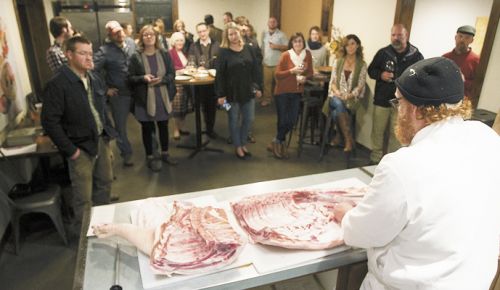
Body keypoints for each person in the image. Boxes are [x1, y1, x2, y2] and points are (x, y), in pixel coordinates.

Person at [333, 57, 500, 290]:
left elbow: (363, 233)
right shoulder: (489, 139)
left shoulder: (401, 166)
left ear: (416, 110)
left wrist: (347, 215)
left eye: (399, 102)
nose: (398, 110)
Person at [41, 36, 116, 232]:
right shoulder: (58, 84)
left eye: (90, 53)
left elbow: (100, 109)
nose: (89, 58)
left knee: (105, 184)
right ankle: (84, 238)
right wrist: (70, 150)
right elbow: (49, 121)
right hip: (79, 148)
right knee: (83, 196)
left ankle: (102, 228)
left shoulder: (94, 77)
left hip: (99, 140)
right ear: (69, 55)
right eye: (83, 53)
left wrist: (107, 137)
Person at [367, 24, 423, 164]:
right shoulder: (383, 53)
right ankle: (375, 160)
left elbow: (421, 76)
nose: (396, 38)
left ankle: (392, 163)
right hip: (381, 100)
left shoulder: (416, 55)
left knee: (397, 134)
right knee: (377, 131)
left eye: (400, 35)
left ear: (406, 35)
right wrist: (381, 75)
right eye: (393, 35)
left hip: (402, 103)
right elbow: (371, 70)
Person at [128, 25, 178, 172]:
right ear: (141, 38)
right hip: (144, 98)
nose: (149, 37)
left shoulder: (164, 54)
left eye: (151, 34)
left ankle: (165, 153)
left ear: (156, 37)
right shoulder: (135, 56)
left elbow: (171, 74)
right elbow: (130, 78)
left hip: (162, 96)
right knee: (147, 128)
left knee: (163, 127)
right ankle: (150, 156)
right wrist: (143, 78)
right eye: (145, 35)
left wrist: (161, 80)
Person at [216, 22, 262, 159]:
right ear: (227, 36)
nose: (234, 36)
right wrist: (220, 95)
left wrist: (258, 87)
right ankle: (238, 146)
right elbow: (220, 75)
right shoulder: (223, 52)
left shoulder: (249, 48)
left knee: (249, 119)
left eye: (235, 33)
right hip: (230, 94)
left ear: (239, 33)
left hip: (248, 91)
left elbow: (256, 70)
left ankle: (242, 142)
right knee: (233, 119)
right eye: (230, 34)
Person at [94, 20, 136, 167]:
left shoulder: (131, 43)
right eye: (115, 33)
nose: (120, 34)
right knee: (121, 127)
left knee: (147, 121)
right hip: (119, 95)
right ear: (110, 35)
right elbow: (92, 71)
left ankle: (153, 151)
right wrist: (105, 89)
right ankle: (126, 154)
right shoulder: (104, 51)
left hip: (137, 91)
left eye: (120, 31)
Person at [270, 32, 313, 159]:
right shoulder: (285, 55)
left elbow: (310, 72)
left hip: (297, 92)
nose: (298, 44)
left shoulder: (307, 55)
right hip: (282, 92)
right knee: (282, 120)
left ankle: (276, 140)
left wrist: (305, 78)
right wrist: (291, 71)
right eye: (295, 41)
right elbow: (277, 75)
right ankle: (280, 144)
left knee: (293, 119)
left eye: (300, 41)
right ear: (292, 44)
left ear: (303, 43)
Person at [323, 34, 367, 152]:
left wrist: (350, 95)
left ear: (357, 45)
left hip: (351, 99)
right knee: (337, 102)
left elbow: (361, 84)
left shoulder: (362, 64)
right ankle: (348, 138)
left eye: (353, 44)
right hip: (335, 96)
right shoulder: (338, 61)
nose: (350, 47)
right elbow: (332, 82)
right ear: (344, 47)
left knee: (338, 109)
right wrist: (337, 92)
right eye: (347, 44)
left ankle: (339, 135)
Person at [188, 22, 220, 139]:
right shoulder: (193, 46)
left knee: (211, 106)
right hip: (199, 82)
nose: (202, 34)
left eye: (204, 31)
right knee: (201, 106)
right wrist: (197, 68)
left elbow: (220, 61)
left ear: (208, 30)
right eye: (199, 32)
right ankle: (202, 129)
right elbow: (190, 62)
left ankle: (210, 129)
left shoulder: (217, 44)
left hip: (213, 81)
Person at [443, 25, 479, 101]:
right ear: (455, 37)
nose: (462, 40)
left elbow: (479, 85)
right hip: (443, 99)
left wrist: (463, 81)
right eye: (460, 36)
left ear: (472, 40)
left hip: (463, 103)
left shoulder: (477, 60)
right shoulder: (445, 57)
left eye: (467, 37)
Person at [260, 17, 288, 107]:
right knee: (266, 84)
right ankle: (267, 99)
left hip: (277, 64)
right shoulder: (264, 34)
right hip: (266, 63)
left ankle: (281, 100)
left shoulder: (282, 35)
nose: (272, 23)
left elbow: (288, 47)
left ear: (277, 23)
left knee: (279, 83)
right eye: (270, 22)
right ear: (268, 23)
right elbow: (263, 48)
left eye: (274, 22)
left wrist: (277, 46)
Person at [168, 32, 191, 140]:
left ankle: (182, 127)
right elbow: (169, 69)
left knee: (184, 106)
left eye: (181, 40)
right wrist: (181, 70)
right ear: (173, 42)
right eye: (177, 40)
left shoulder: (184, 53)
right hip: (176, 84)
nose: (180, 42)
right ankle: (176, 129)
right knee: (176, 108)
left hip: (186, 83)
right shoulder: (170, 53)